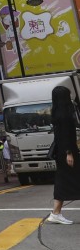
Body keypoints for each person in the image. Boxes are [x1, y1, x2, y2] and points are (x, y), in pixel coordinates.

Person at [46, 85, 80, 224]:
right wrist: (69, 153)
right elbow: (65, 136)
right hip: (67, 152)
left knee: (64, 181)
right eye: (68, 95)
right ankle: (55, 213)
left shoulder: (57, 113)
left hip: (63, 152)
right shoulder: (65, 114)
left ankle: (56, 213)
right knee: (66, 181)